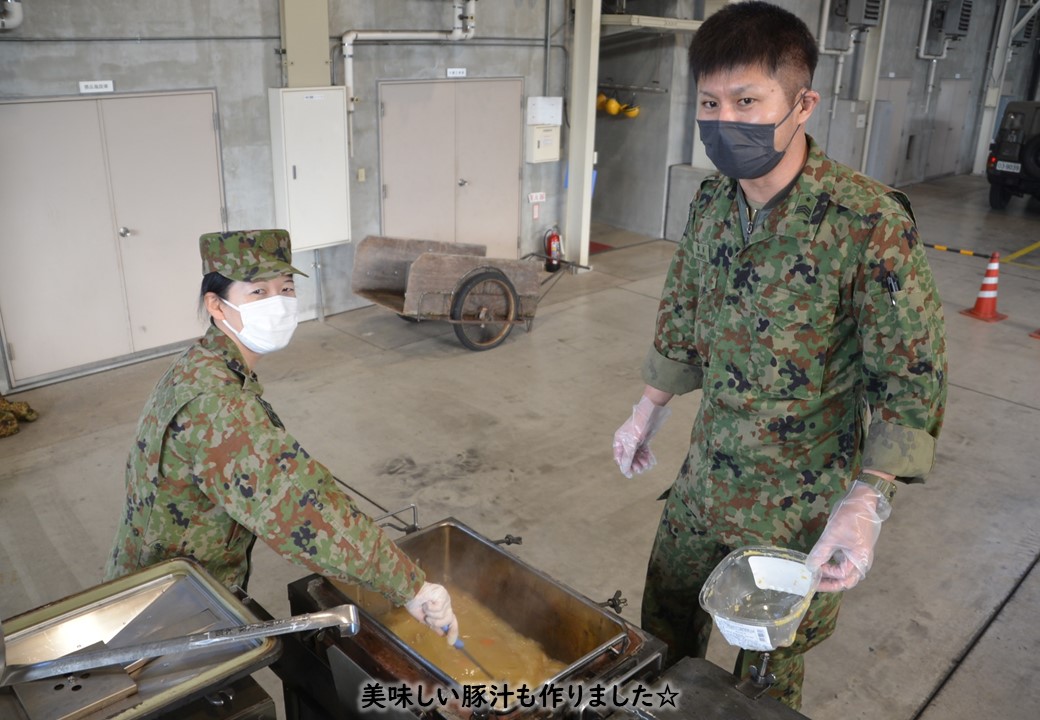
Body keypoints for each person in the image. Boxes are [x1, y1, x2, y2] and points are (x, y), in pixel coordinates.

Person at [612, 2, 947, 710]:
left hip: (800, 504)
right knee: (660, 637)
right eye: (710, 101)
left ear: (802, 104)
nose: (724, 118)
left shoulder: (866, 222)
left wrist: (869, 497)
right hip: (706, 479)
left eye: (747, 100)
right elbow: (683, 309)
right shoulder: (711, 203)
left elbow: (910, 376)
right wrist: (649, 407)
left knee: (764, 681)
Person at [105, 229, 459, 644]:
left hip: (164, 588)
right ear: (216, 305)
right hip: (163, 619)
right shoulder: (219, 406)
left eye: (286, 288)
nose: (278, 303)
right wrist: (413, 588)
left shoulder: (203, 363)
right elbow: (304, 510)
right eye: (258, 292)